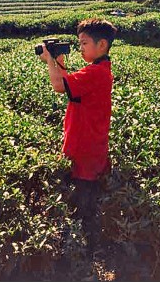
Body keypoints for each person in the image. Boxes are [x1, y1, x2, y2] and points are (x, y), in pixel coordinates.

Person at [38, 18, 117, 253]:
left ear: (101, 45)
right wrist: (58, 62)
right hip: (85, 144)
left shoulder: (97, 73)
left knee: (83, 203)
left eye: (84, 43)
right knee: (82, 199)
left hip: (86, 148)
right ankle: (85, 248)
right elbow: (69, 85)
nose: (80, 47)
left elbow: (59, 86)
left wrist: (50, 61)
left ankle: (86, 253)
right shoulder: (96, 70)